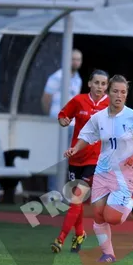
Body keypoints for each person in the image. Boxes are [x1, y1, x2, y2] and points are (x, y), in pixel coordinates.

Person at [64, 74, 133, 263]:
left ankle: (132, 200)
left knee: (112, 217)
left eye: (123, 92)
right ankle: (108, 254)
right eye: (115, 91)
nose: (119, 95)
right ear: (108, 92)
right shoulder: (99, 118)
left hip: (123, 174)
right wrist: (75, 148)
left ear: (126, 94)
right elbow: (86, 136)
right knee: (97, 215)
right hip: (102, 172)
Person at [50, 70, 110, 254]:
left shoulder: (110, 104)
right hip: (75, 157)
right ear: (89, 84)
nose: (100, 87)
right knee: (77, 202)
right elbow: (62, 116)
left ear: (107, 86)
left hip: (95, 160)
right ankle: (80, 233)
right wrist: (63, 121)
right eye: (97, 82)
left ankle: (60, 239)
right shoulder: (79, 101)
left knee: (76, 198)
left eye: (103, 84)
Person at [42, 49, 83, 193]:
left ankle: (64, 192)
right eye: (73, 59)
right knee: (57, 158)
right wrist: (53, 118)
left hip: (72, 125)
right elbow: (46, 98)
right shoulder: (57, 77)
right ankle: (54, 193)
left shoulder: (78, 79)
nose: (76, 62)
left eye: (78, 59)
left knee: (69, 158)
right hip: (58, 124)